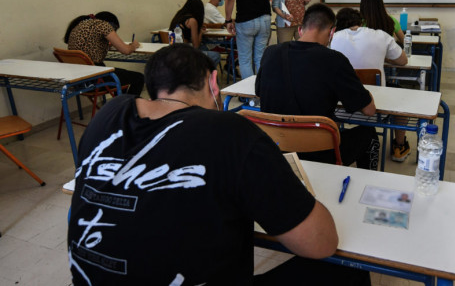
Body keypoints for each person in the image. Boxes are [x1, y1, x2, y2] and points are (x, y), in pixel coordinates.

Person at [67, 43, 370, 285]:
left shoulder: (108, 115)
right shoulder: (229, 131)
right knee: (349, 269)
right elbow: (321, 243)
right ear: (214, 82)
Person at [256, 3, 380, 171]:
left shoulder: (270, 52)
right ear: (332, 32)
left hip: (276, 148)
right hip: (320, 153)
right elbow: (369, 110)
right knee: (369, 134)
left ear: (300, 30)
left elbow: (259, 92)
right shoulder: (335, 60)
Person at [331, 8, 410, 162]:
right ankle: (399, 147)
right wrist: (384, 57)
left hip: (340, 109)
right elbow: (403, 61)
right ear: (361, 22)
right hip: (376, 110)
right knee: (401, 96)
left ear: (337, 25)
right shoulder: (381, 35)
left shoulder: (332, 38)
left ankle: (333, 143)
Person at [64, 11, 144, 96]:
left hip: (78, 80)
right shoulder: (103, 25)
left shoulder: (81, 24)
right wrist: (134, 45)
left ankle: (120, 103)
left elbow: (90, 45)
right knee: (139, 77)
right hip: (94, 78)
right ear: (111, 25)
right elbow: (126, 50)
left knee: (123, 74)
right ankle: (127, 104)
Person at [169, 0, 221, 67]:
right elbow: (196, 46)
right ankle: (200, 72)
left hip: (173, 51)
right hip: (184, 54)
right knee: (216, 55)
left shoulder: (178, 16)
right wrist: (200, 32)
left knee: (204, 48)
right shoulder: (192, 21)